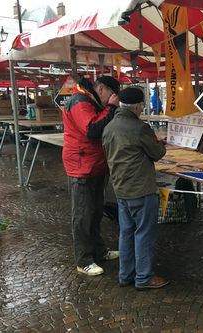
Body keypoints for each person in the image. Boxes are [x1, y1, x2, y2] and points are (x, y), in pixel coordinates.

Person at [102, 87, 168, 290]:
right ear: (139, 106)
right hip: (141, 188)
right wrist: (159, 142)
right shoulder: (139, 128)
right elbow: (157, 153)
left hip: (121, 188)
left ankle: (126, 275)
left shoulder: (109, 127)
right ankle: (144, 277)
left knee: (127, 233)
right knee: (143, 234)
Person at [63, 76, 121, 276]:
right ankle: (84, 259)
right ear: (102, 89)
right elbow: (92, 130)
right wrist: (111, 109)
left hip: (95, 165)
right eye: (112, 97)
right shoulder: (80, 101)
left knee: (95, 212)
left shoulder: (91, 101)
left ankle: (98, 250)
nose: (112, 101)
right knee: (83, 215)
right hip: (82, 167)